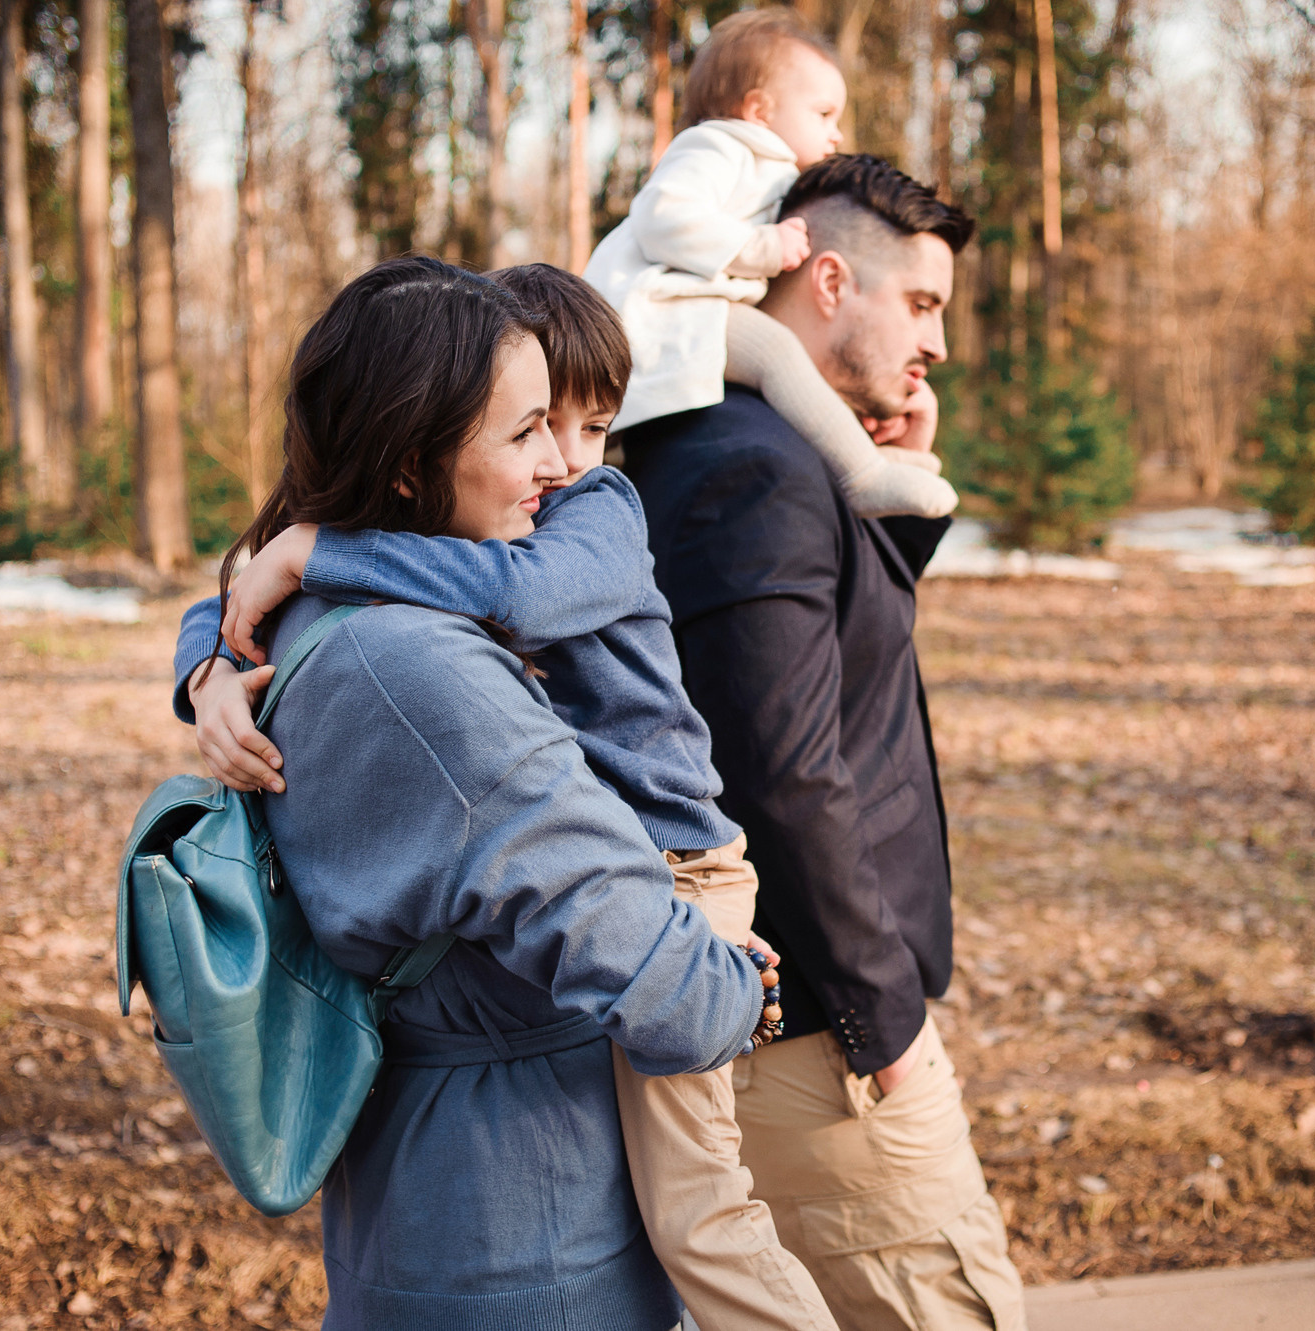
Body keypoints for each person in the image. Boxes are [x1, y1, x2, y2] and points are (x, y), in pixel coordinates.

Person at [178, 265, 839, 1331]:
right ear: (415, 456)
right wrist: (209, 669)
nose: (564, 462)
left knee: (705, 1206)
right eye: (531, 427)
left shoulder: (556, 528)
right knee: (706, 1217)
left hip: (677, 867)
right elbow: (670, 990)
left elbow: (503, 594)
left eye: (587, 426)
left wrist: (302, 558)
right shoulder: (420, 662)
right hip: (526, 1212)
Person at [619, 154, 1029, 1330]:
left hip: (804, 1023)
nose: (938, 341)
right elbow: (781, 775)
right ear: (830, 279)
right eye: (921, 303)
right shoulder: (754, 467)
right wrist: (880, 1022)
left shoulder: (740, 444)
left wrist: (902, 478)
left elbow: (835, 663)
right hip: (816, 1042)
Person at [584, 6, 957, 521]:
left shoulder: (764, 167)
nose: (836, 135)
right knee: (776, 351)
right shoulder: (717, 147)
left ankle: (858, 457)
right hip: (658, 312)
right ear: (759, 110)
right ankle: (864, 474)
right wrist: (762, 247)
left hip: (686, 310)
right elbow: (661, 215)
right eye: (823, 114)